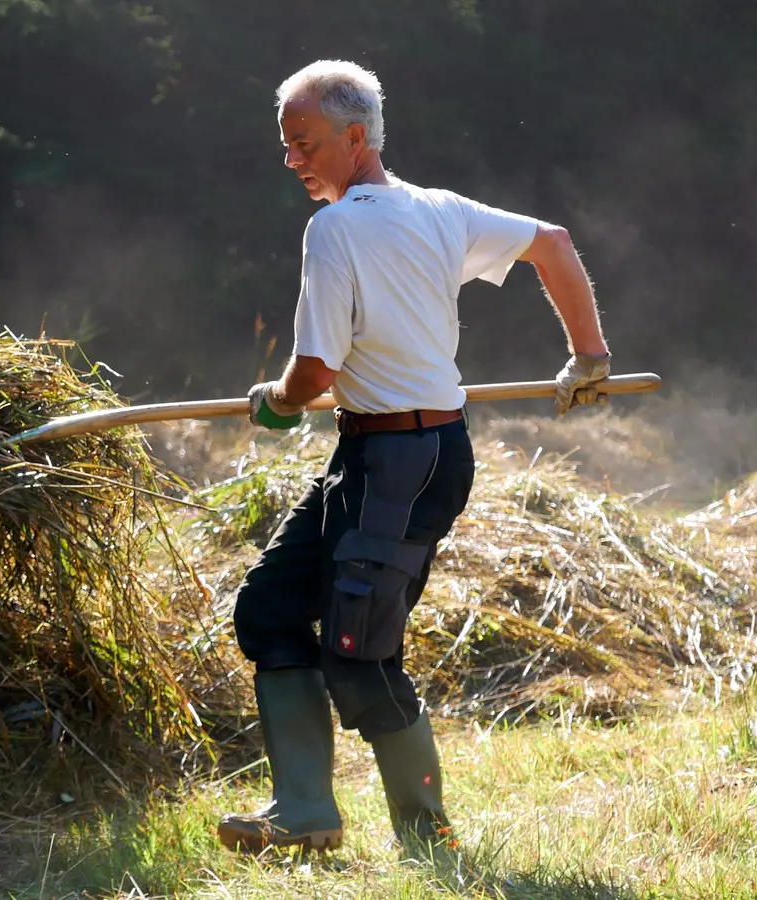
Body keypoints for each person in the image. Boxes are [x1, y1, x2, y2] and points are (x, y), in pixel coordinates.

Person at [216, 59, 613, 864]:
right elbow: (552, 243)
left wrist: (279, 402)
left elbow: (315, 370)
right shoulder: (439, 210)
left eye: (304, 143)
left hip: (405, 460)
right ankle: (304, 809)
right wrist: (590, 354)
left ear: (355, 137)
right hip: (377, 452)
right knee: (269, 609)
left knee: (359, 657)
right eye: (286, 144)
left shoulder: (335, 229)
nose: (291, 159)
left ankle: (429, 837)